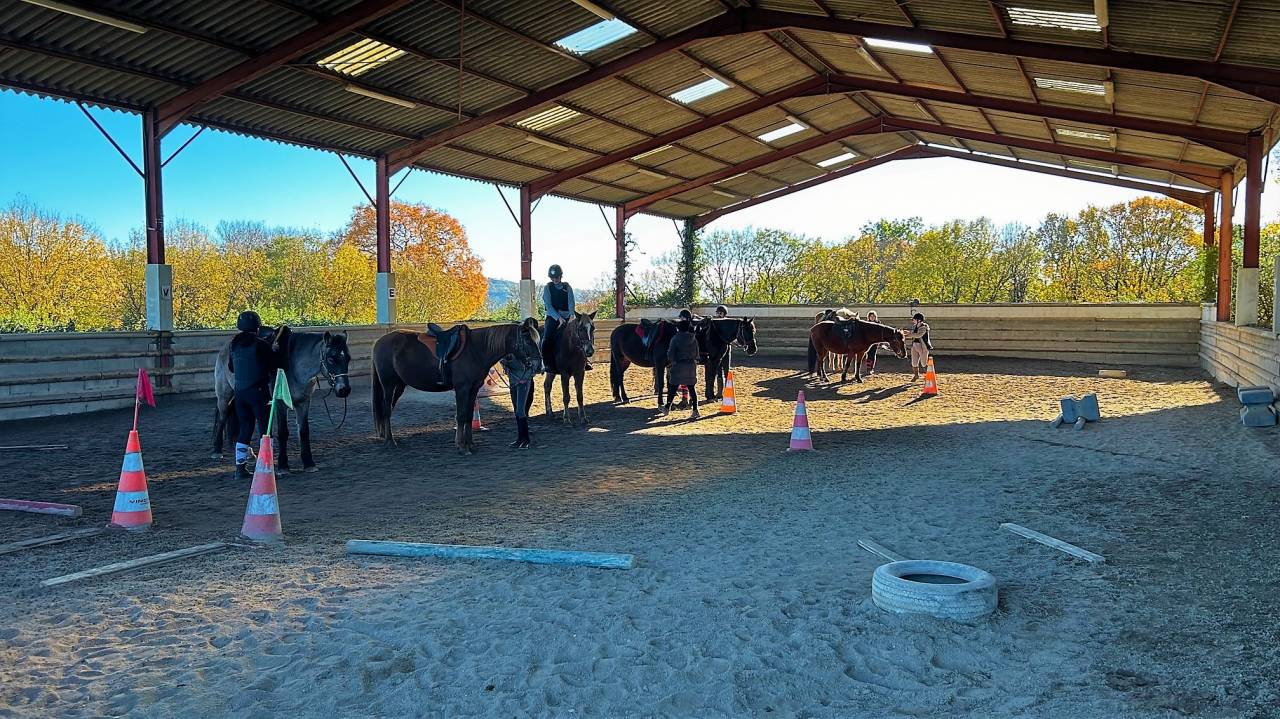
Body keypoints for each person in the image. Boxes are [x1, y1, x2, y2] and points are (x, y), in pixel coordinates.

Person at [228, 311, 277, 479]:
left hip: (240, 394)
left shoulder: (234, 344)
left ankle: (239, 468)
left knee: (245, 429)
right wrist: (275, 350)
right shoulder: (261, 345)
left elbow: (231, 368)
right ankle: (266, 465)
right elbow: (274, 365)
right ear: (257, 327)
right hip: (258, 393)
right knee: (265, 430)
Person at [542, 264, 590, 370]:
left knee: (580, 335)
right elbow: (548, 306)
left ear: (561, 276)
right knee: (546, 337)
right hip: (553, 317)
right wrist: (558, 318)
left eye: (557, 277)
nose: (555, 279)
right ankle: (545, 363)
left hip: (567, 316)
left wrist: (571, 316)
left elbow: (571, 304)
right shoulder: (547, 288)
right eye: (553, 278)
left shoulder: (567, 288)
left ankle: (585, 361)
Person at [664, 318, 700, 420]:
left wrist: (672, 361)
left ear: (678, 328)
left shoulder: (675, 339)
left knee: (673, 388)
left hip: (678, 366)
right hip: (691, 366)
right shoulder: (693, 338)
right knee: (692, 389)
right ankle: (695, 410)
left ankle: (667, 408)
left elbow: (671, 354)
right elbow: (697, 353)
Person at [904, 312, 933, 381]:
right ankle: (916, 375)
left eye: (914, 319)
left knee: (924, 363)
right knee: (914, 362)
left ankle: (928, 375)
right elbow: (913, 334)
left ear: (919, 320)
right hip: (915, 346)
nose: (913, 320)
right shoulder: (914, 326)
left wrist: (908, 334)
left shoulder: (924, 327)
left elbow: (918, 335)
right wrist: (905, 334)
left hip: (923, 347)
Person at [863, 310, 881, 377]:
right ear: (869, 317)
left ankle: (871, 368)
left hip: (875, 342)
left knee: (873, 354)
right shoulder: (867, 323)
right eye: (871, 316)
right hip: (868, 341)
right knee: (868, 354)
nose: (872, 317)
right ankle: (868, 368)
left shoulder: (878, 323)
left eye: (873, 316)